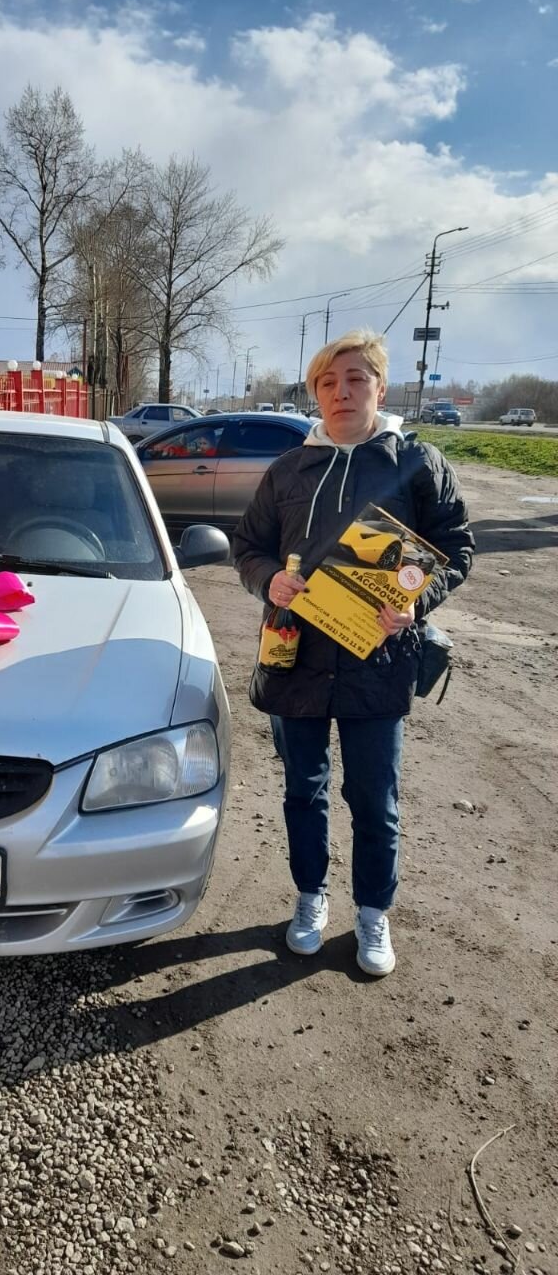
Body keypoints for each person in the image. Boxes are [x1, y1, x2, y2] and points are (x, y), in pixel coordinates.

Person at [232, 330, 474, 976]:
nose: (342, 392)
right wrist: (268, 580)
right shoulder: (289, 469)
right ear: (316, 392)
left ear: (380, 388)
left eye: (356, 379)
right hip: (295, 658)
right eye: (328, 382)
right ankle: (310, 897)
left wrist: (418, 602)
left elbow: (457, 546)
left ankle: (372, 912)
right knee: (303, 791)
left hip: (378, 659)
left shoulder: (416, 463)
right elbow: (248, 546)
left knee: (374, 798)